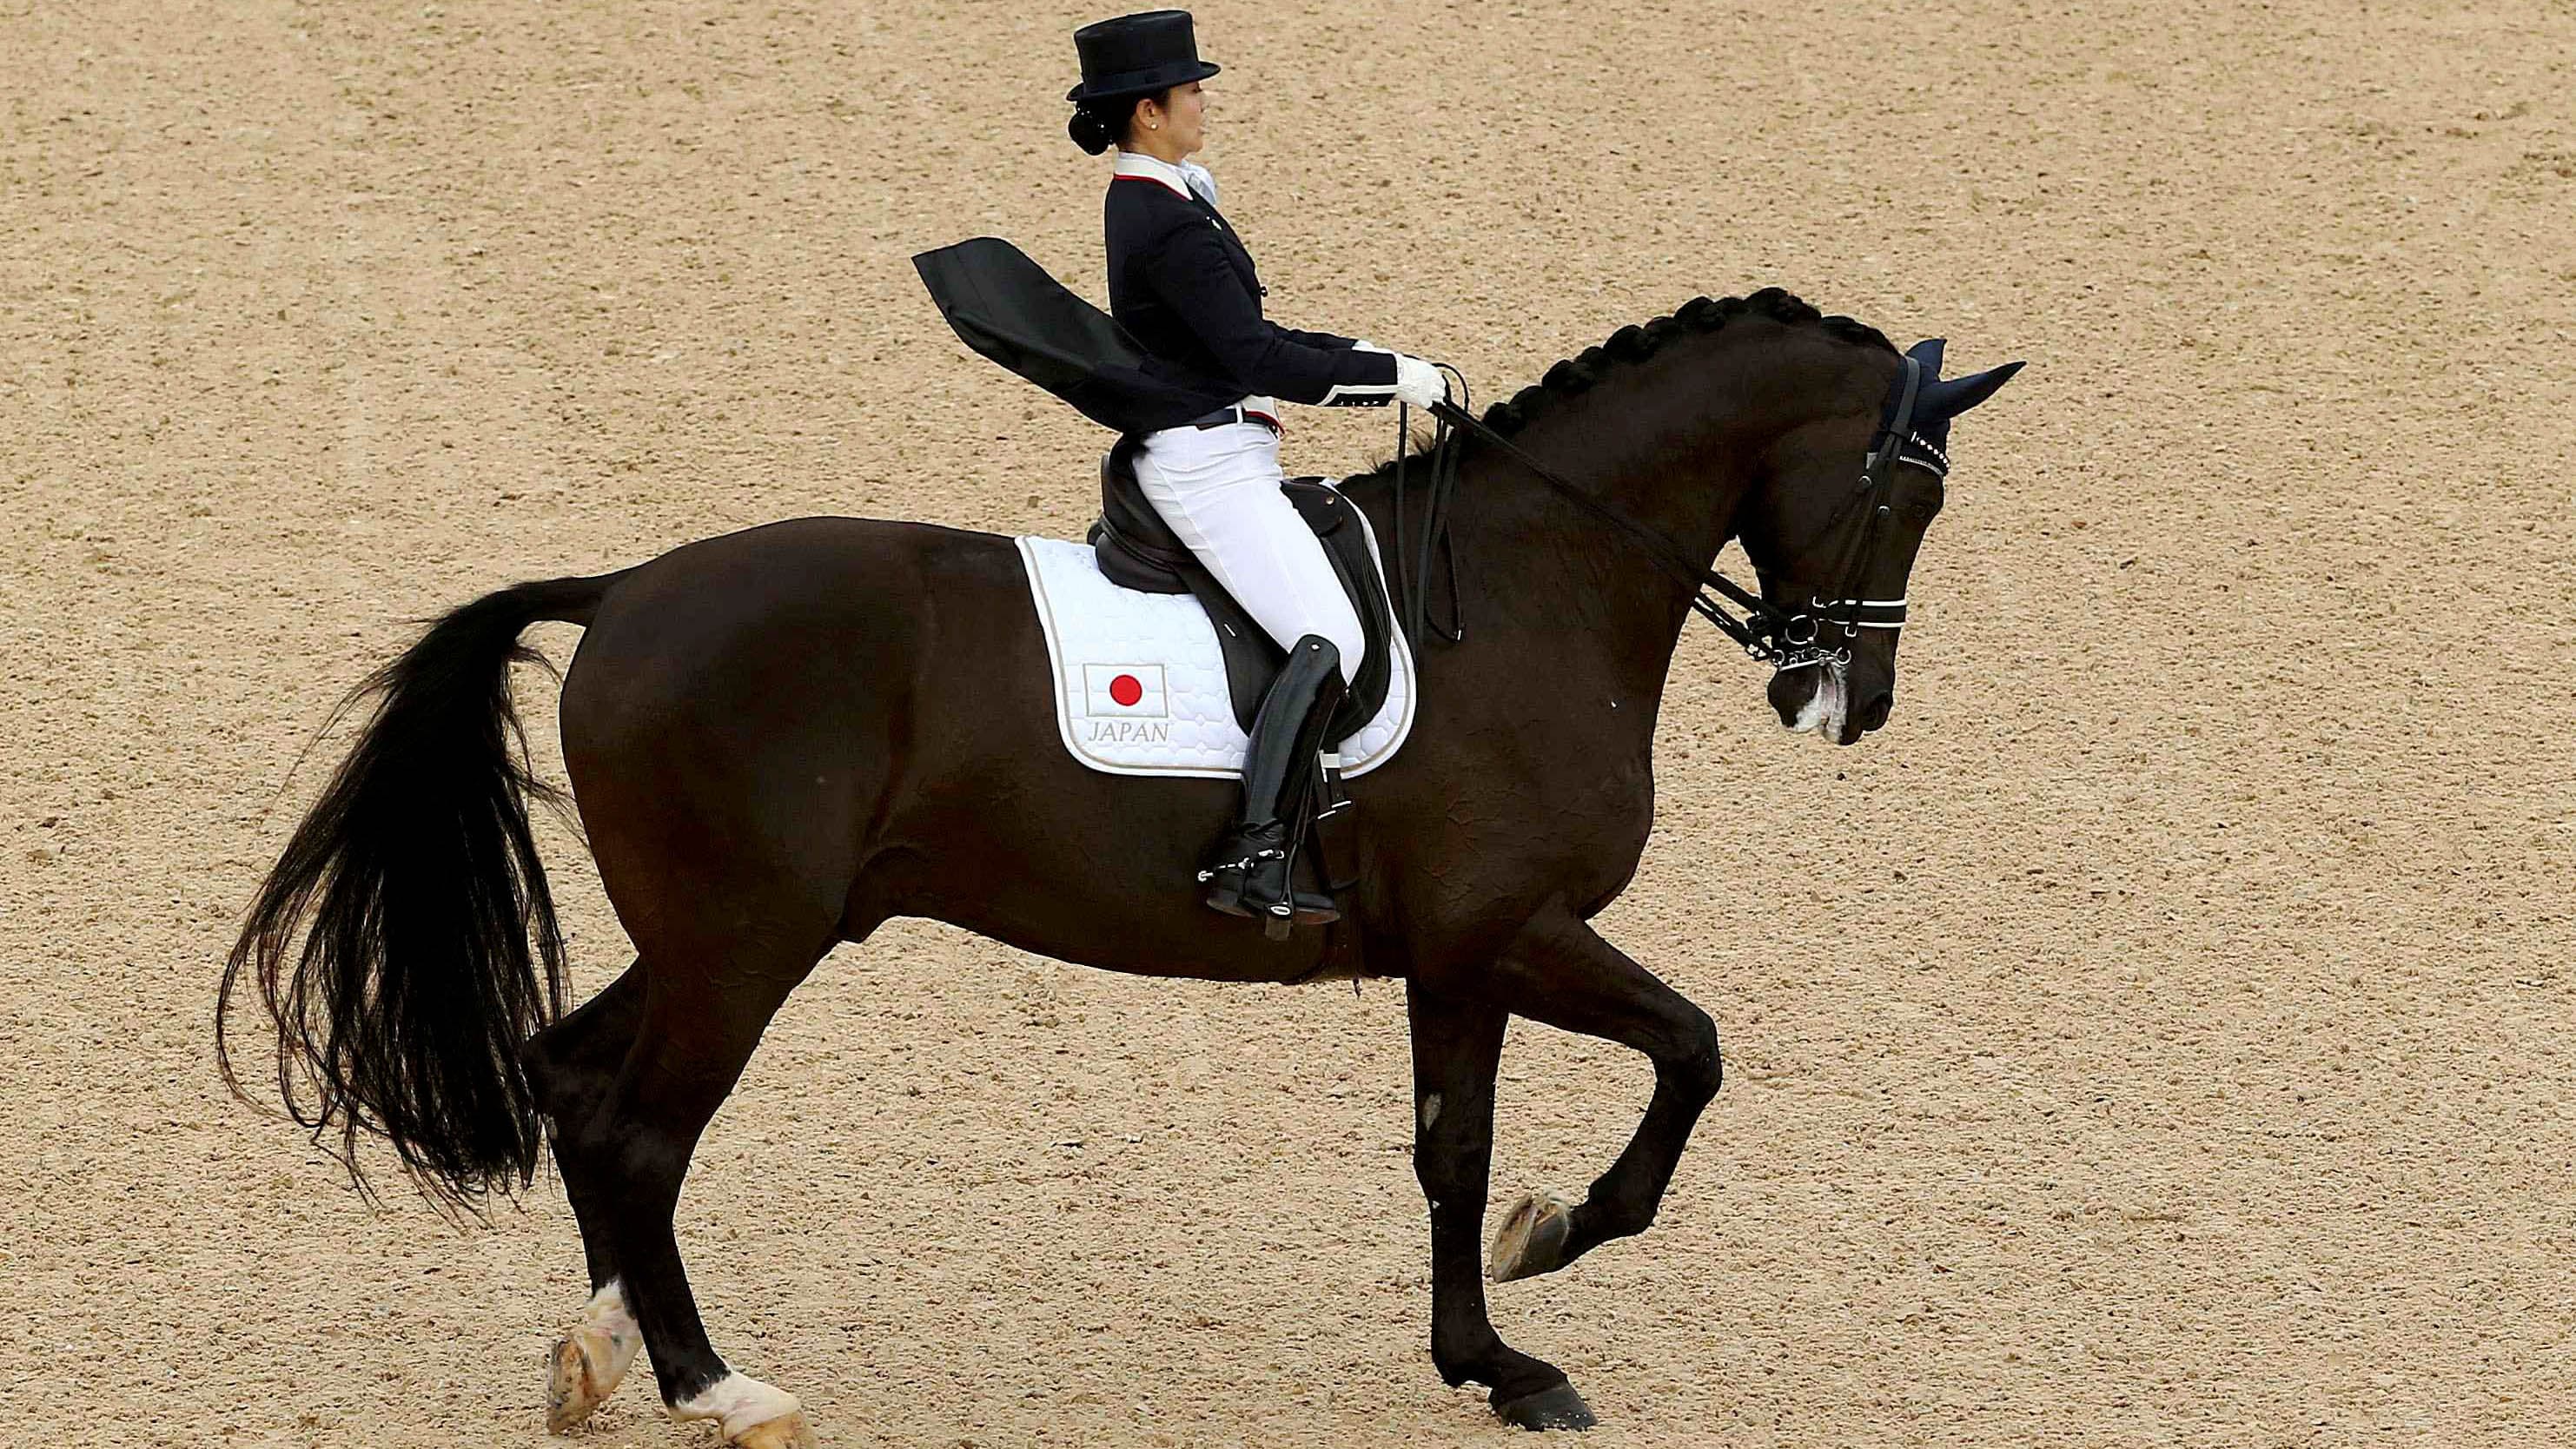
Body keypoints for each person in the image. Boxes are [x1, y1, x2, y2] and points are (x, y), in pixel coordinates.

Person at [1066, 10, 1447, 927]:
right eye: (1191, 91)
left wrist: (1370, 355)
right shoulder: (1165, 219)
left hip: (1225, 446)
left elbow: (1253, 337)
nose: (1204, 104)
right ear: (1149, 111)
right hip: (1206, 462)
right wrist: (1386, 382)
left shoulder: (1169, 200)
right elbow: (1254, 355)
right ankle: (1255, 849)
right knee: (1332, 638)